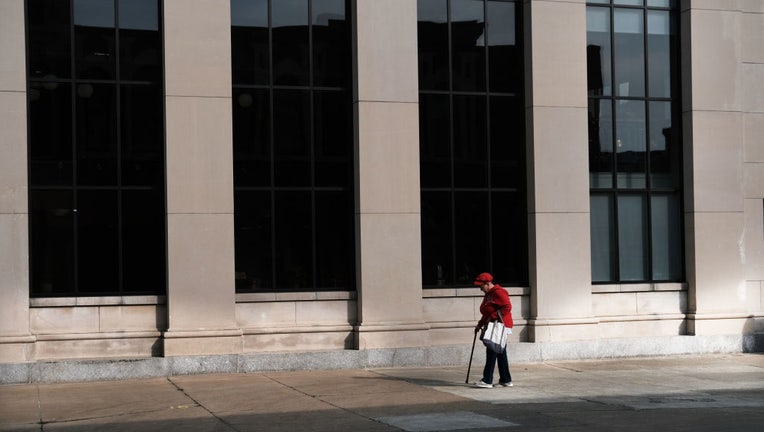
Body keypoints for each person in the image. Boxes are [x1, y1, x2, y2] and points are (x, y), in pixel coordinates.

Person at [473, 272, 513, 388]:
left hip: (499, 326)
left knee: (492, 350)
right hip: (493, 324)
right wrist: (480, 324)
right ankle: (506, 379)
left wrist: (494, 316)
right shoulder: (488, 294)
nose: (480, 289)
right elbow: (487, 312)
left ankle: (487, 380)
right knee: (500, 353)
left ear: (488, 283)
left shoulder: (499, 292)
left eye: (481, 286)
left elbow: (507, 307)